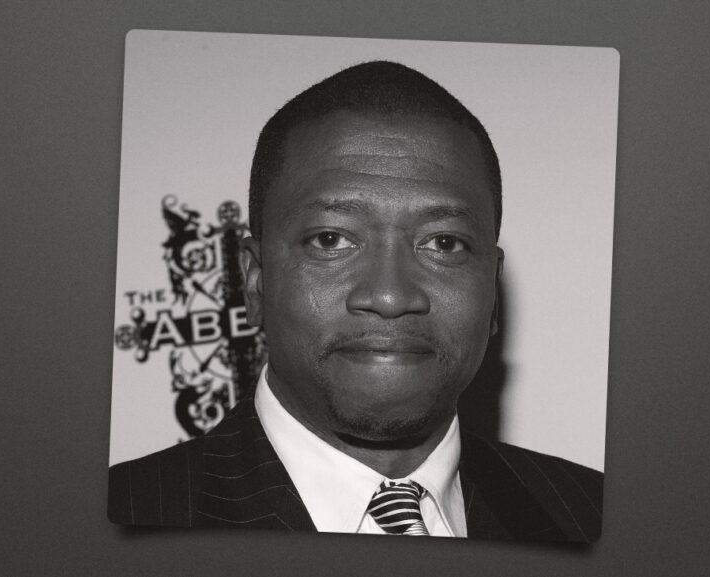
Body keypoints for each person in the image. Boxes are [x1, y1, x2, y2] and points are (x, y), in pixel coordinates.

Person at [108, 61, 603, 542]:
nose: (390, 296)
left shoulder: (594, 516)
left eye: (444, 243)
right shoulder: (117, 520)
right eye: (331, 240)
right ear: (255, 281)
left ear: (492, 289)